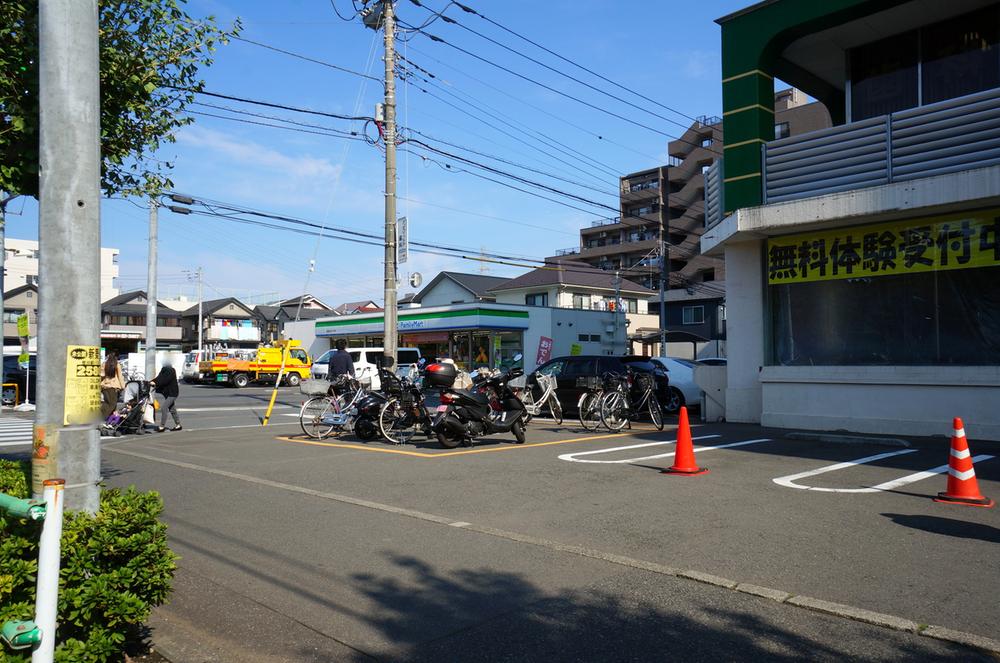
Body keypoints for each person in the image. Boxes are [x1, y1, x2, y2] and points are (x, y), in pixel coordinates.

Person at [150, 359, 181, 432]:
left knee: (164, 408)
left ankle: (162, 426)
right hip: (167, 393)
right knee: (172, 409)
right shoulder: (163, 370)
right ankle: (178, 425)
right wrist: (152, 381)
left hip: (172, 393)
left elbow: (165, 380)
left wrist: (156, 383)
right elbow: (159, 378)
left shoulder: (171, 370)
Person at [100, 352, 125, 418]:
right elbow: (120, 376)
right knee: (112, 404)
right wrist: (123, 386)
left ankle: (109, 419)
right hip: (114, 387)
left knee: (108, 402)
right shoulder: (117, 365)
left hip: (105, 386)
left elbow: (102, 375)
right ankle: (103, 417)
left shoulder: (104, 364)